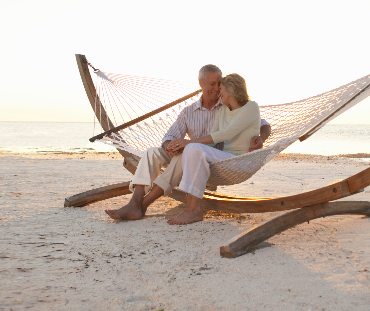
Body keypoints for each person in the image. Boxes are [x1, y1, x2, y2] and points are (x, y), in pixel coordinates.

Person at [105, 65, 270, 221]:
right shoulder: (189, 111)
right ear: (201, 84)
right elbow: (170, 136)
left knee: (187, 152)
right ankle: (135, 202)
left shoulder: (227, 105)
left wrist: (261, 138)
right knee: (151, 152)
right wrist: (170, 147)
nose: (217, 89)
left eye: (219, 85)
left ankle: (143, 204)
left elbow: (262, 124)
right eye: (212, 84)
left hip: (208, 160)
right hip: (188, 150)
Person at [166, 73, 260, 225]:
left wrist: (190, 143)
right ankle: (192, 209)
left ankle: (193, 210)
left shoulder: (251, 107)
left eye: (221, 88)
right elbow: (212, 137)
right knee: (192, 149)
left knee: (193, 146)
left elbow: (225, 134)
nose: (218, 92)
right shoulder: (223, 110)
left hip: (242, 162)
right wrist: (185, 148)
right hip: (226, 158)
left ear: (231, 89)